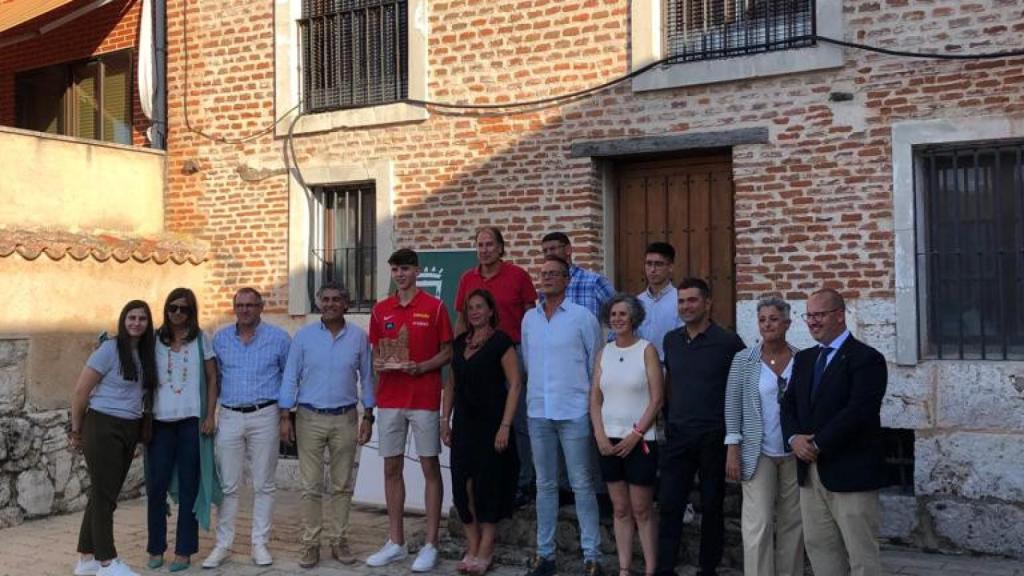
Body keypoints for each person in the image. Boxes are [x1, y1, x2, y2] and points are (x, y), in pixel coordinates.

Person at [781, 288, 888, 576]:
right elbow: (787, 405)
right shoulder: (803, 360)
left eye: (819, 315)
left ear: (840, 316)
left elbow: (858, 412)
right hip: (809, 473)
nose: (813, 322)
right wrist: (793, 439)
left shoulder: (867, 358)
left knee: (861, 555)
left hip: (850, 471)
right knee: (820, 550)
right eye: (809, 316)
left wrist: (817, 443)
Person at [366, 248, 454, 572]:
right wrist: (378, 362)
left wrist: (423, 366)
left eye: (405, 269)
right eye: (395, 270)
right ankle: (396, 541)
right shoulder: (380, 310)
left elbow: (448, 353)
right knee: (391, 468)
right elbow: (377, 352)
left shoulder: (435, 307)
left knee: (429, 467)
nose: (400, 275)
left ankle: (431, 543)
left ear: (417, 271)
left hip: (425, 398)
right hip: (389, 399)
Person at [278, 282, 375, 568]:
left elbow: (367, 378)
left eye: (337, 299)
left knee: (342, 485)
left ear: (346, 304)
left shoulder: (358, 337)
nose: (331, 304)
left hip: (346, 417)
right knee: (310, 486)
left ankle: (339, 540)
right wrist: (286, 416)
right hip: (309, 417)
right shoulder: (304, 337)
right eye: (326, 299)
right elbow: (290, 377)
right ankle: (310, 544)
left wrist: (368, 415)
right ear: (319, 303)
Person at [521, 255, 604, 576]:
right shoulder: (530, 319)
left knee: (582, 484)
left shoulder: (583, 317)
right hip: (539, 410)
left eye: (555, 274)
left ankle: (591, 556)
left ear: (568, 280)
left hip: (574, 411)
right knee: (545, 485)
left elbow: (594, 364)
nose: (548, 278)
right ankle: (545, 555)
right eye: (544, 274)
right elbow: (528, 363)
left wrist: (587, 403)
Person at [656, 278, 745, 576]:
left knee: (712, 505)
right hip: (678, 434)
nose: (686, 306)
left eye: (692, 300)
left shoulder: (729, 342)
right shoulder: (671, 340)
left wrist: (736, 437)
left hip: (714, 435)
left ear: (708, 303)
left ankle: (708, 568)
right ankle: (664, 568)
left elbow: (744, 388)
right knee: (669, 504)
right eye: (681, 301)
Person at [203, 288, 291, 568]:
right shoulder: (220, 339)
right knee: (228, 484)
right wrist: (210, 415)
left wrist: (286, 417)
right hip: (229, 415)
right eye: (240, 305)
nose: (245, 310)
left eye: (251, 305)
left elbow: (289, 380)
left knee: (264, 484)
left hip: (265, 414)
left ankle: (259, 543)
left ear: (261, 307)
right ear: (234, 307)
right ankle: (223, 544)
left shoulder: (279, 339)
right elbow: (213, 379)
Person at [69, 300, 158, 576]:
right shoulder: (108, 349)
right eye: (131, 318)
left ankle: (87, 559)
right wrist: (76, 430)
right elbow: (80, 392)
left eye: (142, 319)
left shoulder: (146, 353)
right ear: (123, 320)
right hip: (102, 425)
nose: (136, 323)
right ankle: (108, 561)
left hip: (129, 427)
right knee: (106, 496)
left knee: (102, 493)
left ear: (148, 323)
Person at [454, 226, 537, 506]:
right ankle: (491, 479)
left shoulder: (518, 276)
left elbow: (531, 317)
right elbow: (462, 320)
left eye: (490, 244)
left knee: (519, 419)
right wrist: (457, 353)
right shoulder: (467, 279)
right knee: (484, 419)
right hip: (477, 356)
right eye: (480, 244)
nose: (485, 249)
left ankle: (525, 481)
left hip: (512, 351)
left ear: (501, 248)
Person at [442, 288, 523, 575]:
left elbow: (514, 384)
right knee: (461, 487)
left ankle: (486, 547)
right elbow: (451, 384)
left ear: (491, 311)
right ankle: (472, 542)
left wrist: (505, 425)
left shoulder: (502, 342)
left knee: (488, 486)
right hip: (464, 423)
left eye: (480, 307)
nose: (474, 311)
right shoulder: (460, 342)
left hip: (492, 424)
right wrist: (444, 419)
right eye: (470, 307)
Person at [724, 296, 803, 576]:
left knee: (793, 523)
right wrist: (732, 447)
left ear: (787, 323)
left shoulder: (801, 359)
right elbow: (732, 404)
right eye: (762, 320)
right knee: (757, 524)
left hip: (795, 452)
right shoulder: (744, 360)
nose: (767, 324)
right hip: (757, 451)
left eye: (773, 319)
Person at [146, 288, 220, 572]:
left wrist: (210, 415)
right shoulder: (153, 339)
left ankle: (184, 551)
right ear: (166, 309)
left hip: (191, 422)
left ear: (192, 312)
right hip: (160, 424)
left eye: (184, 309)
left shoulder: (202, 340)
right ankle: (155, 548)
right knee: (156, 487)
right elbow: (127, 351)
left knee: (189, 487)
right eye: (173, 308)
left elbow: (213, 378)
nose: (178, 313)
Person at [590, 293, 664, 576]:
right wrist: (599, 434)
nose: (617, 319)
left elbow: (657, 399)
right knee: (620, 509)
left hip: (640, 441)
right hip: (608, 441)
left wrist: (636, 434)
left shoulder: (647, 350)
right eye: (613, 315)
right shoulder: (604, 353)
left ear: (633, 318)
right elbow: (595, 399)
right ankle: (624, 568)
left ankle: (650, 568)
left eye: (623, 314)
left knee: (642, 509)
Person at [541, 231, 615, 318]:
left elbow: (620, 311)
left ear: (568, 250)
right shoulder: (546, 286)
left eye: (553, 249)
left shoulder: (594, 281)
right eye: (545, 251)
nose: (548, 254)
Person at [636, 242, 683, 362]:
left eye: (658, 264)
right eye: (649, 264)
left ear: (671, 267)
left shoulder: (680, 300)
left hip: (670, 369)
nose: (652, 270)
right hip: (640, 369)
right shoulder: (636, 302)